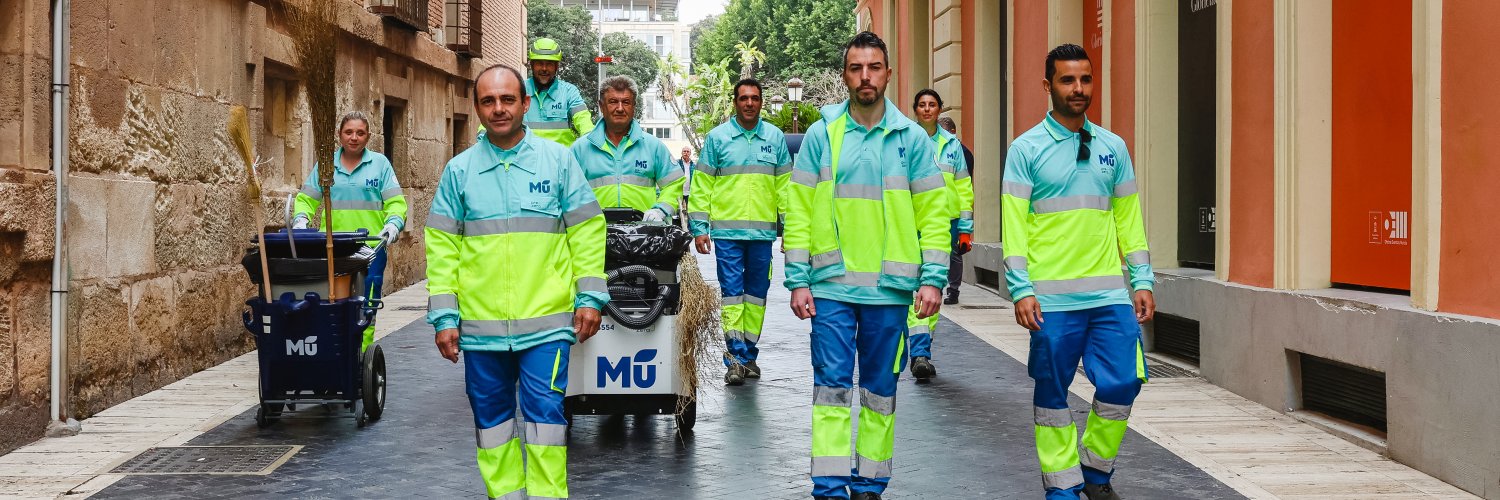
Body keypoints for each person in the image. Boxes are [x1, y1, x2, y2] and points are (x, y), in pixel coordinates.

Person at [425, 64, 608, 500]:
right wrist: (444, 317)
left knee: (546, 422)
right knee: (492, 425)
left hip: (546, 325)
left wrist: (591, 297)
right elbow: (442, 248)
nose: (499, 108)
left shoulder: (559, 161)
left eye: (508, 99)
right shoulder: (459, 172)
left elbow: (586, 230)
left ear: (526, 104)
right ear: (477, 109)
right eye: (488, 101)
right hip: (481, 328)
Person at [784, 31, 950, 500]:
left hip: (890, 290)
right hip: (832, 286)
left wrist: (933, 278)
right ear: (845, 76)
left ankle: (871, 483)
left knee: (880, 393)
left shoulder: (912, 139)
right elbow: (797, 210)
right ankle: (830, 486)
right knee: (830, 391)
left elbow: (934, 214)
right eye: (856, 68)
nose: (865, 77)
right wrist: (798, 280)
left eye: (873, 68)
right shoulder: (821, 135)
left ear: (888, 74)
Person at [1003, 44, 1155, 500]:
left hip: (1109, 297)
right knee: (1053, 394)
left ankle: (1094, 470)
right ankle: (1063, 487)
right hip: (1050, 301)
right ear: (1048, 85)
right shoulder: (1025, 149)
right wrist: (1020, 289)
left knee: (1123, 383)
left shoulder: (1114, 147)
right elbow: (1013, 224)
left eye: (1085, 79)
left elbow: (1129, 219)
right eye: (1068, 80)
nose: (1078, 89)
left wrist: (1142, 280)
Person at [689, 78, 791, 386]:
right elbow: (702, 184)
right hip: (728, 233)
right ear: (735, 102)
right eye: (744, 98)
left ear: (761, 102)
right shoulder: (718, 139)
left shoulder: (775, 137)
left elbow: (786, 187)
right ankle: (734, 358)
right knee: (733, 295)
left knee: (757, 296)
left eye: (755, 98)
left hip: (762, 236)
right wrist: (699, 227)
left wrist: (792, 230)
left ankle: (749, 356)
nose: (749, 103)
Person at [291, 111, 407, 352]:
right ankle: (333, 350)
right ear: (339, 135)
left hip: (371, 248)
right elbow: (306, 198)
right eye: (349, 132)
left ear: (368, 137)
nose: (354, 137)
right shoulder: (326, 165)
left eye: (360, 133)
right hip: (332, 248)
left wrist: (394, 223)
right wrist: (301, 218)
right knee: (330, 301)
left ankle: (361, 356)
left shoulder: (380, 165)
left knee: (367, 304)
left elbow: (396, 202)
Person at [903, 89, 972, 382]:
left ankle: (922, 348)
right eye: (922, 105)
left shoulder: (953, 145)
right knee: (915, 285)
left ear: (939, 109)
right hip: (913, 222)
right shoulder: (905, 141)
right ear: (916, 110)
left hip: (946, 222)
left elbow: (964, 186)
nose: (927, 109)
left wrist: (966, 229)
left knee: (935, 286)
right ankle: (919, 352)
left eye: (932, 105)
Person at [570, 76, 684, 223]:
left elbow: (674, 184)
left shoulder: (653, 147)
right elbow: (567, 193)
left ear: (634, 106)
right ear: (601, 105)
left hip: (643, 235)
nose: (619, 108)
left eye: (626, 102)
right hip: (594, 236)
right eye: (612, 102)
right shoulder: (580, 150)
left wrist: (660, 209)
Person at [525, 37, 595, 146]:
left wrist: (590, 139)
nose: (544, 68)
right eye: (539, 63)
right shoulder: (519, 90)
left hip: (560, 159)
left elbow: (583, 120)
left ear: (557, 66)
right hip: (526, 158)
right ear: (532, 65)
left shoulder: (569, 91)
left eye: (549, 64)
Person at [936, 115, 975, 305]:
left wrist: (965, 225)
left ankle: (953, 290)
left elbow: (965, 186)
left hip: (954, 213)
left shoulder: (963, 153)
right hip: (936, 212)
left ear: (952, 132)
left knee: (954, 254)